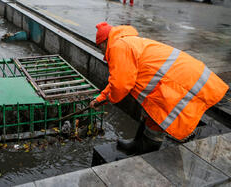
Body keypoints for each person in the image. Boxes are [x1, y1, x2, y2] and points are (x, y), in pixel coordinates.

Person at [90, 22, 229, 154]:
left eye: (100, 46)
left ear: (104, 42)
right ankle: (137, 144)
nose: (102, 51)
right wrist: (101, 98)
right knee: (151, 112)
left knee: (160, 116)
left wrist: (107, 99)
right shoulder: (127, 42)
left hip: (177, 81)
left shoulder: (118, 47)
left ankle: (146, 154)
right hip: (178, 77)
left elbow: (120, 85)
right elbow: (118, 78)